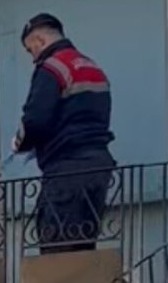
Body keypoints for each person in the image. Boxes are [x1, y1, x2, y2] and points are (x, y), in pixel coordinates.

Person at [13, 13, 116, 254]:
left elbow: (35, 120)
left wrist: (19, 142)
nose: (32, 57)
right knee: (83, 247)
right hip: (98, 166)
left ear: (39, 40)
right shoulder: (93, 67)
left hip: (66, 169)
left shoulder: (51, 67)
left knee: (57, 248)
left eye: (30, 50)